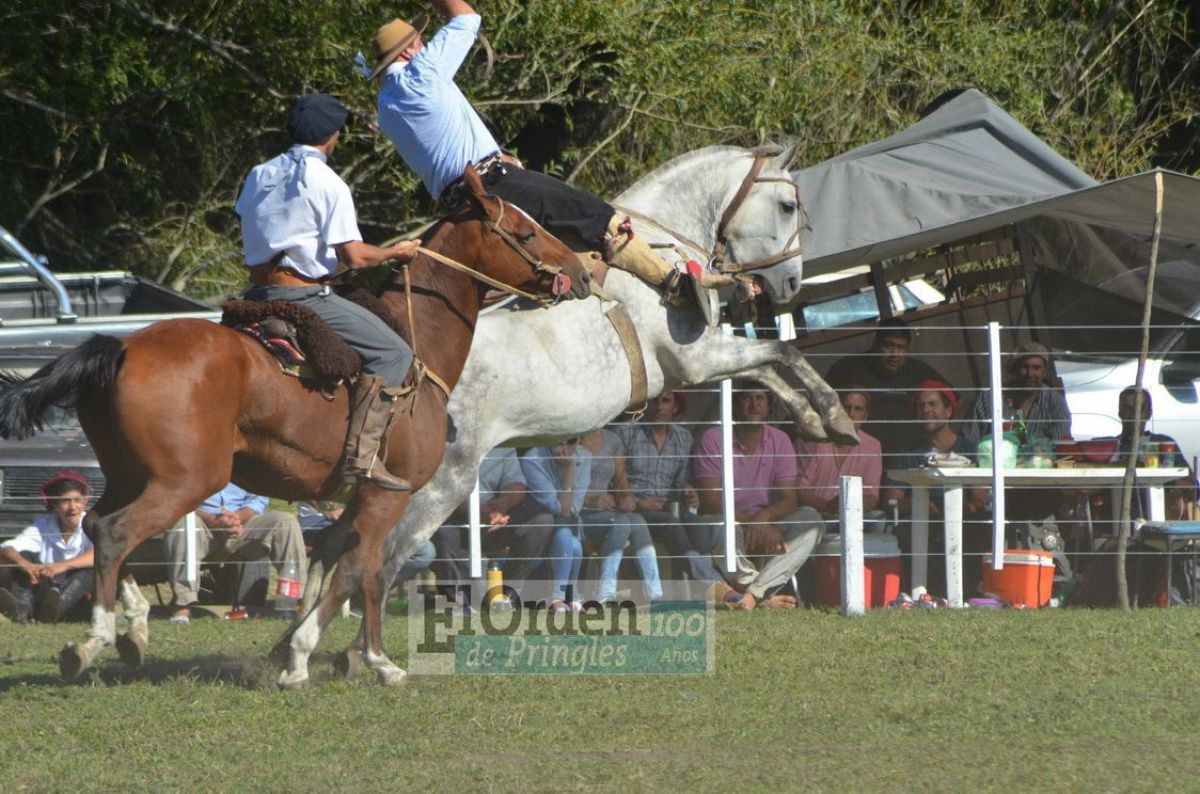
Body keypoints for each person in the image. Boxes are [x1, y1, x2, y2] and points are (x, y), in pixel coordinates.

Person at [367, 1, 691, 306]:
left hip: (459, 203)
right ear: (410, 51)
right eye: (421, 42)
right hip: (494, 186)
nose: (426, 47)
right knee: (598, 217)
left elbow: (447, 142)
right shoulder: (423, 74)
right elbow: (466, 17)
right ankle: (673, 284)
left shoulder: (385, 105)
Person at [235, 92, 421, 492]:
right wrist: (395, 251)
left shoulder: (258, 173)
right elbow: (354, 257)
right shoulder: (327, 182)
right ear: (333, 136)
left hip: (256, 293)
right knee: (395, 352)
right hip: (301, 296)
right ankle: (363, 458)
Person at [692, 382, 825, 609]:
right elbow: (712, 501)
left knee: (811, 519)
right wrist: (755, 523)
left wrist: (763, 520)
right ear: (734, 405)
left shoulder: (780, 440)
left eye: (760, 398)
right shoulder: (713, 438)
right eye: (747, 398)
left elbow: (789, 499)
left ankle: (753, 594)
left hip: (767, 524)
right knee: (722, 526)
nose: (754, 405)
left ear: (768, 404)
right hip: (727, 521)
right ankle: (763, 597)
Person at [611, 391, 726, 592]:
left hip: (666, 507)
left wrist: (689, 493)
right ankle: (717, 587)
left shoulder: (683, 437)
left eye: (666, 401)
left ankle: (701, 593)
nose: (659, 407)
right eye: (654, 401)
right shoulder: (625, 433)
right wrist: (638, 503)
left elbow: (681, 483)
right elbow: (611, 483)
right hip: (632, 511)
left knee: (698, 525)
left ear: (675, 407)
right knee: (670, 524)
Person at [882, 381, 990, 594]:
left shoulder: (971, 449)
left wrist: (960, 510)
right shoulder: (907, 454)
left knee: (982, 529)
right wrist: (918, 505)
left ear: (948, 411)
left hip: (963, 517)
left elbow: (979, 498)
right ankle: (925, 594)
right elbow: (891, 500)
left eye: (932, 404)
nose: (926, 410)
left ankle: (968, 593)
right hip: (923, 516)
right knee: (906, 532)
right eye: (921, 406)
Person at [164, 483, 308, 623]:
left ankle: (292, 603)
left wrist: (236, 519)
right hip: (202, 522)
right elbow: (176, 499)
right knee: (185, 523)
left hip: (242, 524)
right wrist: (214, 521)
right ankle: (183, 606)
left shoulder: (245, 461)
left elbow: (258, 498)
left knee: (285, 521)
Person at [825, 317, 949, 456]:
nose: (894, 354)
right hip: (858, 457)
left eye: (900, 348)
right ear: (875, 344)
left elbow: (954, 401)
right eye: (888, 346)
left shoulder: (919, 372)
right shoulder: (847, 368)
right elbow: (822, 406)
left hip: (910, 458)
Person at [580, 428, 664, 601]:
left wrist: (626, 498)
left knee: (638, 521)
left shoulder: (612, 440)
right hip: (577, 514)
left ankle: (655, 594)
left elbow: (620, 480)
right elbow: (559, 488)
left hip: (604, 513)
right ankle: (606, 593)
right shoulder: (569, 439)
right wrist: (589, 501)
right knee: (620, 523)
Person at [519, 438, 604, 611]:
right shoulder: (532, 459)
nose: (564, 448)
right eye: (558, 441)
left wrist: (570, 469)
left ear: (579, 439)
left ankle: (566, 597)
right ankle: (561, 597)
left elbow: (573, 508)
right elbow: (561, 509)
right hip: (539, 525)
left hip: (567, 524)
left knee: (573, 544)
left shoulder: (584, 456)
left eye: (571, 441)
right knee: (570, 540)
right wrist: (569, 470)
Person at [0, 470, 94, 624]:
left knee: (89, 569)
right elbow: (7, 547)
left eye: (77, 500)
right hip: (44, 590)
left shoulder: (92, 524)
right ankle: (22, 610)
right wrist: (27, 565)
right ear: (55, 504)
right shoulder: (44, 525)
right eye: (65, 501)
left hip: (80, 598)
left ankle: (52, 612)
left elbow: (102, 553)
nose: (72, 507)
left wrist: (61, 566)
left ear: (85, 501)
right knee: (23, 556)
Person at [432, 446, 531, 588]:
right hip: (455, 514)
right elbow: (441, 489)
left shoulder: (502, 445)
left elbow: (516, 482)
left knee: (540, 522)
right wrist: (471, 509)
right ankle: (456, 601)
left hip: (493, 517)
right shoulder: (448, 444)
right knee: (443, 533)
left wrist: (503, 505)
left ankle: (509, 593)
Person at [794, 386, 886, 532]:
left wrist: (856, 508)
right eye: (846, 408)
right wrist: (827, 507)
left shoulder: (872, 446)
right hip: (816, 515)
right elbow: (797, 489)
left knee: (878, 518)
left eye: (858, 409)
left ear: (865, 416)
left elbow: (871, 494)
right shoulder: (813, 440)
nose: (851, 414)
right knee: (809, 516)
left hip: (852, 517)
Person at [962, 342, 1072, 447]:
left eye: (1036, 368)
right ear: (1015, 369)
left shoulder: (1055, 403)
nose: (1030, 374)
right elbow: (969, 444)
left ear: (1044, 372)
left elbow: (1059, 447)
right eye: (1024, 367)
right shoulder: (988, 399)